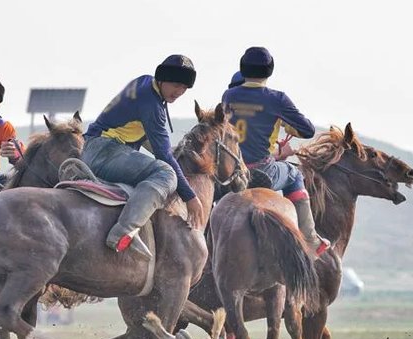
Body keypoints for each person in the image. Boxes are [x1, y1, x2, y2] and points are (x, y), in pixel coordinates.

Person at [81, 55, 203, 260]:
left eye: (184, 88)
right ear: (162, 79)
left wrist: (168, 153)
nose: (179, 92)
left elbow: (151, 142)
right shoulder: (152, 104)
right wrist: (190, 197)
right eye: (175, 84)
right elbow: (163, 156)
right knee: (166, 174)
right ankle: (123, 232)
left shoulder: (144, 82)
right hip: (105, 151)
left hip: (96, 147)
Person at [222, 47, 330, 256]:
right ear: (270, 70)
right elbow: (307, 130)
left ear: (242, 68)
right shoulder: (277, 99)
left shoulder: (229, 95)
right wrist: (285, 122)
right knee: (294, 174)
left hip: (232, 171)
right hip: (262, 171)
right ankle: (310, 238)